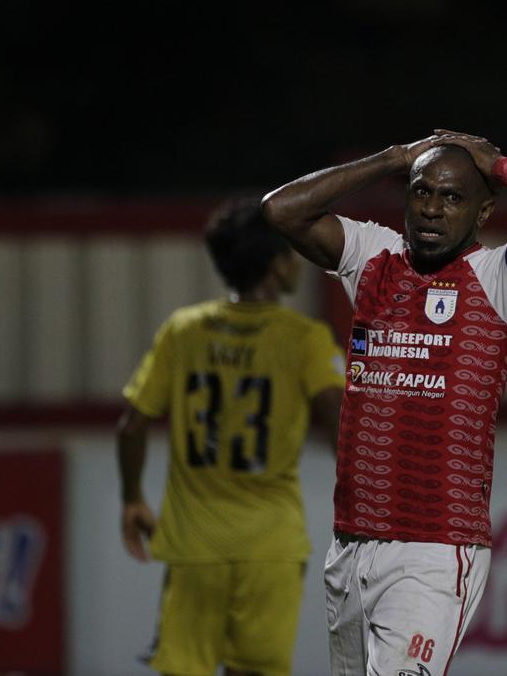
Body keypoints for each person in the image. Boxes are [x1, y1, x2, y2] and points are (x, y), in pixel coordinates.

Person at [261, 130, 507, 675]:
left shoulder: (500, 278)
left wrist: (499, 165)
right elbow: (281, 211)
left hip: (433, 548)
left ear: (483, 212)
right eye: (421, 191)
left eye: (452, 197)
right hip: (351, 543)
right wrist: (394, 158)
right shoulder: (374, 257)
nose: (432, 208)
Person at [116, 197, 345, 676]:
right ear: (277, 265)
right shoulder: (303, 339)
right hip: (270, 545)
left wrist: (133, 497)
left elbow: (133, 424)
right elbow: (344, 427)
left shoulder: (184, 331)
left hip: (194, 546)